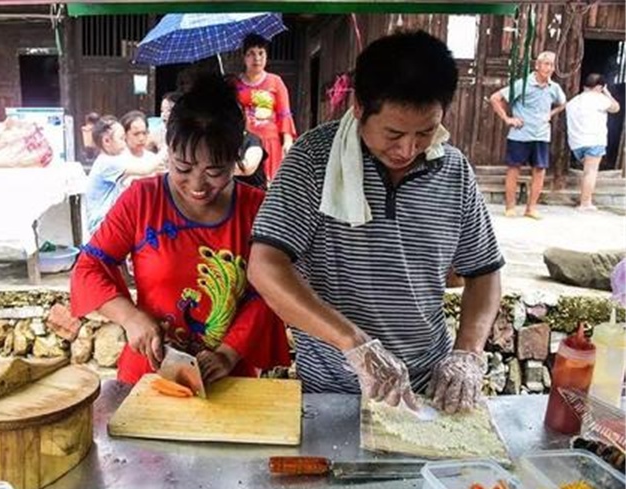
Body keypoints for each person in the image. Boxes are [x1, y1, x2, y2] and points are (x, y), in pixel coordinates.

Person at [247, 31, 504, 414]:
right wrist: (355, 344)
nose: (407, 149)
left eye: (425, 132)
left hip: (426, 391)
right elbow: (265, 268)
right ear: (358, 106)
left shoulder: (454, 172)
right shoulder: (313, 160)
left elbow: (483, 272)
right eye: (394, 133)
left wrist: (467, 352)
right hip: (331, 390)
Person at [70, 73, 290, 386]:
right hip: (148, 374)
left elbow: (269, 292)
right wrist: (130, 317)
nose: (198, 185)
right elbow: (88, 269)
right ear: (168, 150)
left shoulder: (256, 209)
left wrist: (229, 352)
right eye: (183, 168)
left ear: (235, 158)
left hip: (227, 377)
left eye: (215, 171)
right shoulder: (141, 199)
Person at [490, 51, 567, 220]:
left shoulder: (554, 88)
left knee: (540, 170)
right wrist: (507, 118)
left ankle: (531, 208)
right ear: (537, 66)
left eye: (552, 65)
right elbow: (495, 98)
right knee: (514, 169)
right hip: (520, 134)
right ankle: (510, 207)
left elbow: (563, 103)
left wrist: (550, 114)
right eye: (546, 64)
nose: (549, 68)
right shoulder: (523, 84)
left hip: (541, 135)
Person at [235, 33, 296, 183]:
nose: (257, 58)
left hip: (270, 142)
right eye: (251, 54)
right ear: (244, 57)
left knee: (270, 185)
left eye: (261, 53)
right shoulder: (235, 84)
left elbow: (284, 113)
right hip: (245, 141)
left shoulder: (275, 82)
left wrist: (287, 141)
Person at [565, 73, 621, 211]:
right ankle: (585, 203)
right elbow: (616, 108)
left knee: (586, 171)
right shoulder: (599, 98)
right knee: (590, 172)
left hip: (576, 143)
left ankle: (585, 198)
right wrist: (607, 93)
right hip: (594, 140)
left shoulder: (573, 101)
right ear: (599, 87)